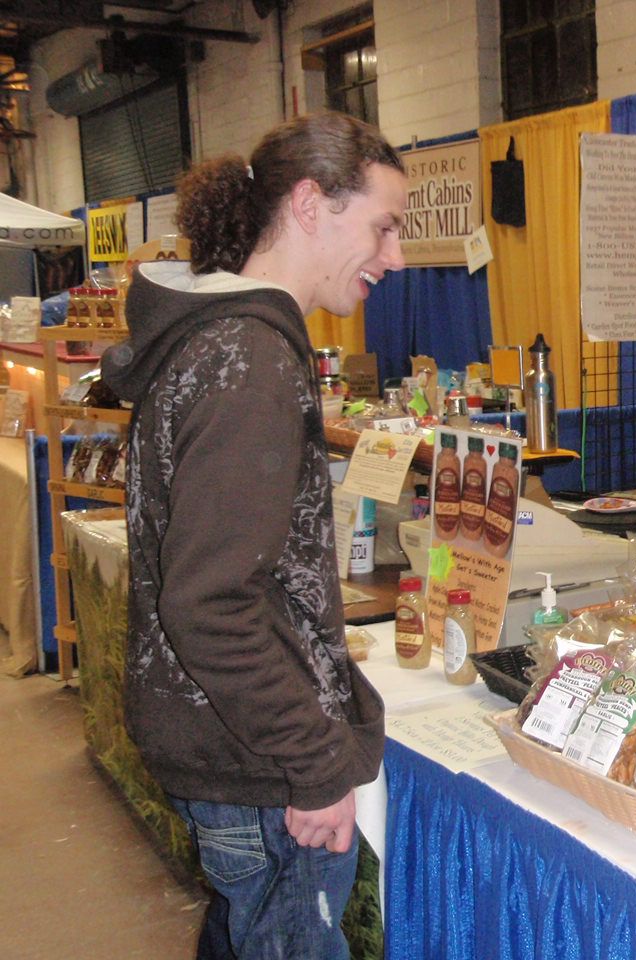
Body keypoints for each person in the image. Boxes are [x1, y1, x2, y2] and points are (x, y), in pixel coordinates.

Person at [101, 112, 406, 959]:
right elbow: (210, 604)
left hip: (232, 748)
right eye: (383, 227)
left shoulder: (224, 340)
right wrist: (314, 761)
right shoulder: (251, 359)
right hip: (257, 766)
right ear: (311, 205)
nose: (396, 257)